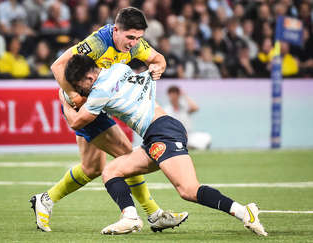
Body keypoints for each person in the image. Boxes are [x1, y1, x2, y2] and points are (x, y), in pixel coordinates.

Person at [60, 54, 268, 236]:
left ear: (89, 78)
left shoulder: (99, 92)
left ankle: (243, 212)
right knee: (112, 170)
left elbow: (75, 122)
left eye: (80, 86)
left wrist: (63, 97)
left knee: (188, 190)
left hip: (163, 132)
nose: (80, 91)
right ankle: (130, 217)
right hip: (157, 133)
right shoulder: (119, 68)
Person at [30, 6, 188, 233]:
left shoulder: (135, 44)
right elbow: (58, 65)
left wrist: (157, 66)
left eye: (138, 38)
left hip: (99, 104)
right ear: (116, 30)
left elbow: (158, 58)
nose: (134, 43)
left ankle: (45, 200)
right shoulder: (98, 43)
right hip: (86, 104)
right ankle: (153, 214)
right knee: (126, 154)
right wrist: (73, 96)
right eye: (130, 37)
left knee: (91, 168)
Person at [163, 86, 211, 150]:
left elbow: (195, 108)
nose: (173, 97)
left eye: (175, 94)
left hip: (189, 135)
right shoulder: (166, 109)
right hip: (175, 136)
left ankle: (188, 146)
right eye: (172, 94)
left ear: (178, 95)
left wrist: (184, 95)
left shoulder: (184, 106)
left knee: (206, 137)